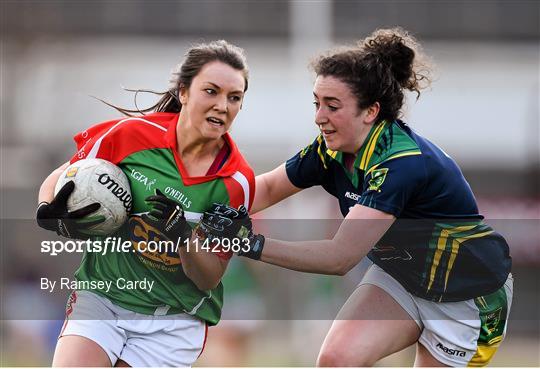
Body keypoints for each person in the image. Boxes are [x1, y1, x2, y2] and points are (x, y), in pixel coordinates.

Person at [199, 28, 513, 367]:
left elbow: (339, 257)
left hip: (467, 294)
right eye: (317, 104)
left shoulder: (400, 163)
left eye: (333, 106)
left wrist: (247, 242)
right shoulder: (330, 151)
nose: (319, 117)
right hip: (402, 278)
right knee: (336, 360)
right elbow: (266, 189)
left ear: (370, 112)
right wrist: (191, 200)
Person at [36, 40, 255, 367]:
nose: (223, 105)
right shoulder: (130, 136)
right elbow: (64, 175)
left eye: (234, 97)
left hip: (172, 322)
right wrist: (47, 210)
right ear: (183, 92)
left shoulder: (236, 182)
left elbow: (208, 278)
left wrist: (182, 237)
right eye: (211, 91)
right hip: (103, 296)